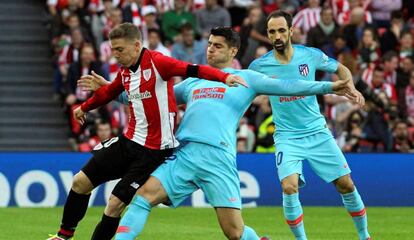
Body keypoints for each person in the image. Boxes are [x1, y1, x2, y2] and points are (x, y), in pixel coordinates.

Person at [79, 27, 358, 240]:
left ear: (233, 52)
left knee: (234, 233)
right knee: (142, 197)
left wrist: (328, 87)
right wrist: (111, 90)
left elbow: (290, 86)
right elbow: (147, 97)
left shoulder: (248, 78)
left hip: (218, 158)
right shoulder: (194, 81)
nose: (210, 50)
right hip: (186, 153)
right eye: (209, 45)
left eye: (217, 46)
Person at [47, 22, 247, 240]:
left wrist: (224, 77)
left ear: (136, 45)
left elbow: (193, 70)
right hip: (128, 142)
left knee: (114, 205)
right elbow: (109, 92)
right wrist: (83, 108)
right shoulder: (125, 71)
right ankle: (63, 235)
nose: (115, 55)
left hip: (153, 152)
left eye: (120, 50)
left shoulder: (158, 62)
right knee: (79, 182)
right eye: (113, 49)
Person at [248, 10, 370, 240]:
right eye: (272, 31)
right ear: (267, 34)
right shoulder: (259, 66)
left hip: (317, 132)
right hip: (286, 136)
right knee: (289, 187)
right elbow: (242, 85)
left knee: (346, 184)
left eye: (282, 30)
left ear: (291, 31)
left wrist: (351, 87)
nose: (277, 36)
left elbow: (340, 69)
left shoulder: (310, 55)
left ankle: (365, 236)